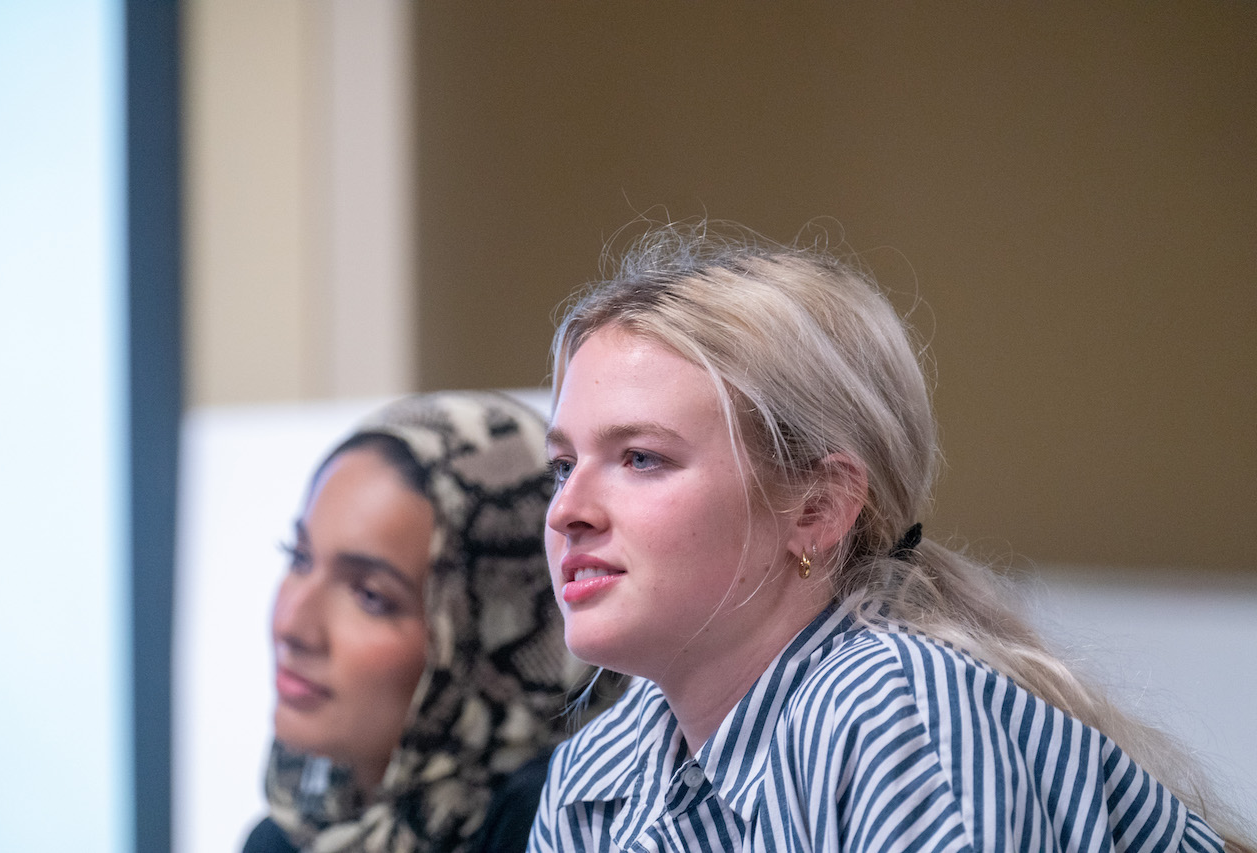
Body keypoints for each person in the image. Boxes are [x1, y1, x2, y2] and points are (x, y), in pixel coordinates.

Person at [529, 221, 1252, 852]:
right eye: (563, 466)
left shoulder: (895, 712)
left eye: (641, 458)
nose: (569, 511)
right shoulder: (596, 774)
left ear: (818, 507)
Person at [244, 391, 596, 853]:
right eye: (300, 558)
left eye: (370, 596)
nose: (293, 626)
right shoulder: (286, 838)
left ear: (491, 634)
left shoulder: (563, 830)